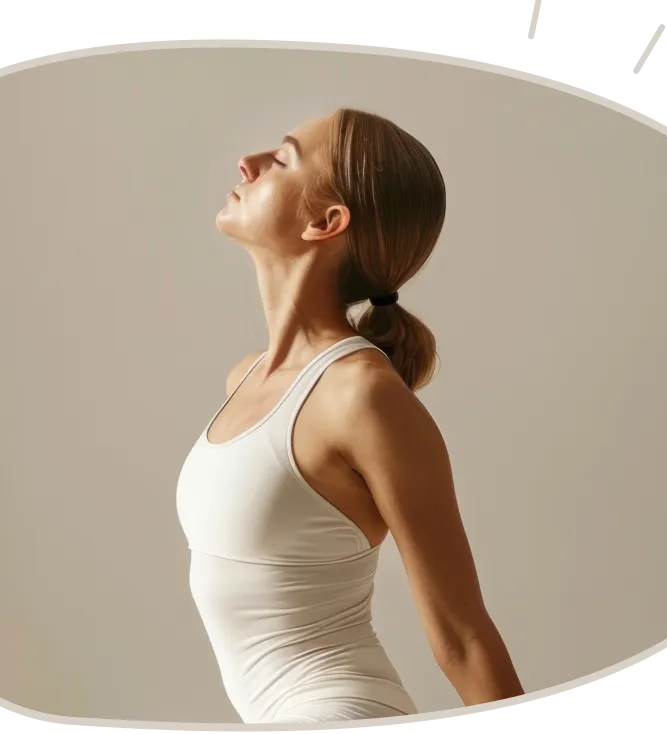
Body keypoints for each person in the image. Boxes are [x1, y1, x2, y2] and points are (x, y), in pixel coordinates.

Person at [175, 108, 523, 724]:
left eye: (281, 159)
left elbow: (463, 635)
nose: (247, 163)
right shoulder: (247, 377)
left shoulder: (362, 396)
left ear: (326, 222)